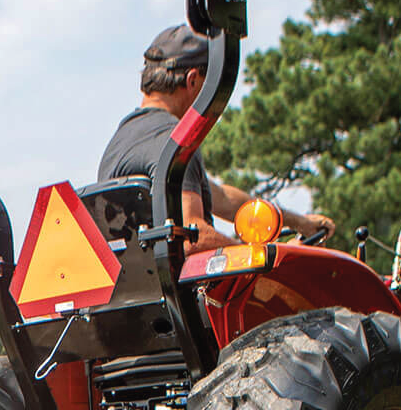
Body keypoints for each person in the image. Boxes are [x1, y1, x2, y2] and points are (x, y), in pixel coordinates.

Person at [99, 24, 336, 253]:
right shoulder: (175, 142)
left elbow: (221, 197)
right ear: (193, 80)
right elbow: (194, 237)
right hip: (191, 292)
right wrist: (270, 254)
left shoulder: (120, 142)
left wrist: (299, 222)